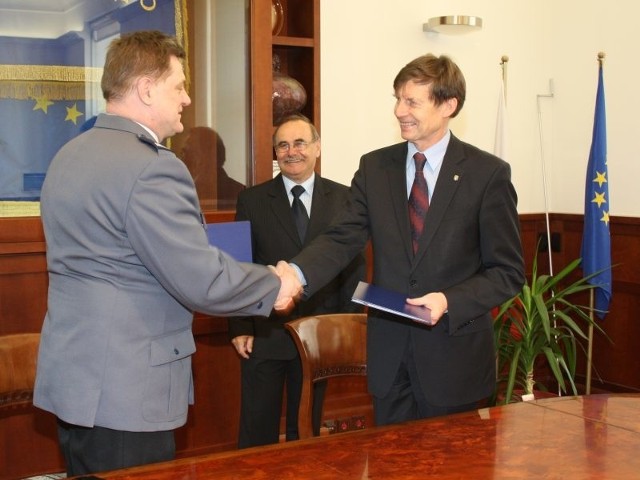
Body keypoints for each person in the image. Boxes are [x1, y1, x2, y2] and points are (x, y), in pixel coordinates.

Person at [33, 30, 300, 477]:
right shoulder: (153, 167)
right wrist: (277, 284)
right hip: (127, 391)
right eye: (178, 86)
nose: (187, 99)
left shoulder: (68, 155)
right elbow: (201, 279)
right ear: (146, 88)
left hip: (75, 384)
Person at [286, 54, 525, 427]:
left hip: (453, 361)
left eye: (412, 101)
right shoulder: (374, 167)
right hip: (390, 359)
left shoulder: (487, 174)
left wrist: (448, 300)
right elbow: (341, 238)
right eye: (397, 98)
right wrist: (296, 275)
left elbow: (507, 272)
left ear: (449, 105)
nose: (399, 110)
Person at [229, 114, 366, 448]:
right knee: (257, 429)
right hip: (266, 332)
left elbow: (354, 267)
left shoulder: (346, 199)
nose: (291, 152)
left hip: (321, 334)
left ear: (316, 148)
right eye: (283, 145)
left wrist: (345, 327)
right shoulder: (252, 200)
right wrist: (238, 326)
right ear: (275, 153)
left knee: (305, 431)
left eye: (300, 143)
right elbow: (236, 266)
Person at [180, 126, 246, 210]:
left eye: (185, 151)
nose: (181, 157)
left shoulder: (238, 194)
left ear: (203, 155)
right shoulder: (184, 189)